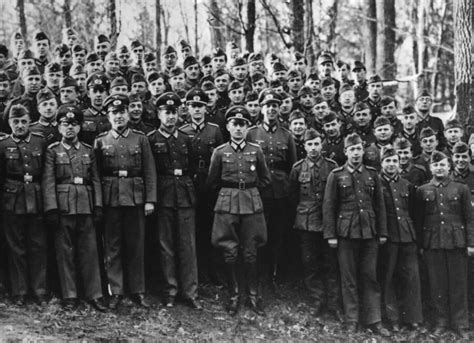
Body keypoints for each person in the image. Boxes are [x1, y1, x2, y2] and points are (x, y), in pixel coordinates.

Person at [94, 94, 157, 309]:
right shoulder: (101, 141)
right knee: (113, 246)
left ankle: (137, 289)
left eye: (122, 112)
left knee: (136, 245)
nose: (118, 116)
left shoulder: (140, 139)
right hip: (111, 198)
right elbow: (97, 175)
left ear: (128, 114)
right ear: (108, 116)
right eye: (114, 113)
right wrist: (99, 203)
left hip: (135, 197)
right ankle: (117, 290)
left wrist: (150, 200)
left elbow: (149, 171)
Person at [207, 105, 271, 316]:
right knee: (230, 250)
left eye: (242, 124)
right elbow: (212, 182)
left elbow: (265, 179)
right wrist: (230, 194)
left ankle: (253, 293)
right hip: (227, 203)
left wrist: (249, 192)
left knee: (251, 250)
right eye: (234, 124)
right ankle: (234, 294)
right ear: (228, 126)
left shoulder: (256, 150)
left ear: (247, 128)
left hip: (251, 202)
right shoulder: (219, 152)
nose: (238, 128)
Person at [42, 104, 106, 312]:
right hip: (63, 207)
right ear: (59, 128)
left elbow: (96, 180)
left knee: (89, 252)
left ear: (80, 127)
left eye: (74, 124)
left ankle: (94, 294)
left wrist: (98, 205)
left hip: (85, 206)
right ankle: (70, 295)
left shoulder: (89, 150)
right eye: (65, 124)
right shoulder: (53, 151)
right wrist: (51, 208)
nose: (70, 128)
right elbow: (49, 181)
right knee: (65, 253)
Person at [323, 133, 389, 335]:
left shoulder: (372, 175)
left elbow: (380, 205)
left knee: (370, 276)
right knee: (349, 278)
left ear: (363, 151)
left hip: (369, 232)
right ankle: (352, 319)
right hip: (345, 233)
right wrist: (331, 235)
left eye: (358, 149)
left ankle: (373, 319)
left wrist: (383, 232)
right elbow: (329, 206)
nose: (355, 153)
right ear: (345, 152)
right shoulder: (336, 175)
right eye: (351, 149)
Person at [147, 92, 201, 309]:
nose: (170, 117)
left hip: (185, 194)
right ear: (158, 114)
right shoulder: (151, 139)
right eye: (166, 112)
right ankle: (170, 290)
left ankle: (191, 292)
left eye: (174, 112)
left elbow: (195, 168)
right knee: (166, 245)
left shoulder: (187, 138)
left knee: (188, 245)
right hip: (164, 195)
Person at [416, 151, 474, 339]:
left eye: (442, 165)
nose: (439, 168)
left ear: (449, 167)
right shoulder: (422, 190)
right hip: (433, 243)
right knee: (437, 284)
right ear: (431, 168)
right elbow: (419, 220)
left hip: (457, 242)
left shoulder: (461, 188)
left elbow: (469, 218)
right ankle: (441, 322)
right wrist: (421, 245)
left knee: (458, 284)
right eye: (436, 165)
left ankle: (461, 323)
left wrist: (471, 243)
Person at [246, 89, 297, 284]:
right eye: (268, 105)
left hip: (281, 191)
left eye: (275, 105)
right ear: (261, 108)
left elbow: (292, 166)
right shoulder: (252, 133)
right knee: (259, 233)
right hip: (259, 190)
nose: (271, 109)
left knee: (278, 233)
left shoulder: (287, 135)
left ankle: (273, 275)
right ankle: (257, 275)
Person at [0, 104, 48, 306]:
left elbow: (47, 174)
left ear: (29, 121)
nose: (19, 125)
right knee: (16, 246)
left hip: (36, 197)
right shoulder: (3, 145)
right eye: (15, 122)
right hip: (12, 199)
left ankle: (40, 290)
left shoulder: (40, 142)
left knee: (38, 245)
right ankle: (19, 290)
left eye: (23, 121)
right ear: (9, 123)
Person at [289, 129, 340, 316]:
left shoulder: (333, 167)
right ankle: (317, 300)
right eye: (309, 144)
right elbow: (292, 197)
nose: (313, 148)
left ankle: (333, 304)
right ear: (304, 146)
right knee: (310, 263)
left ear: (322, 144)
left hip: (328, 223)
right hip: (306, 223)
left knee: (331, 263)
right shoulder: (297, 168)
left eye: (316, 144)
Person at [179, 88, 224, 285]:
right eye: (193, 106)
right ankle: (196, 272)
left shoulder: (214, 130)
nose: (197, 110)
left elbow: (222, 156)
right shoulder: (182, 130)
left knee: (211, 227)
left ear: (206, 108)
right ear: (187, 109)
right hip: (190, 181)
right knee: (192, 228)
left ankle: (213, 271)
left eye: (200, 106)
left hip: (210, 182)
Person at [378, 147, 423, 331]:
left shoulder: (407, 185)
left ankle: (412, 317)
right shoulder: (377, 184)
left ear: (399, 163)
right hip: (388, 236)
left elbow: (415, 213)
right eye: (387, 161)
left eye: (394, 161)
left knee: (411, 277)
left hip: (407, 235)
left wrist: (417, 239)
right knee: (388, 278)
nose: (391, 165)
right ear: (381, 163)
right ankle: (393, 318)